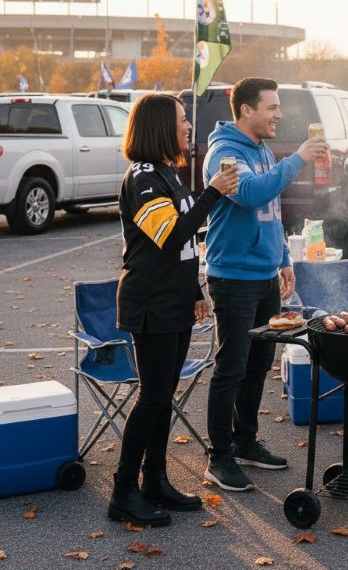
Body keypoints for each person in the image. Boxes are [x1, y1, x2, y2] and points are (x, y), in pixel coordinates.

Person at [110, 93, 238, 527]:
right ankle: (123, 492)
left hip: (174, 299)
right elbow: (169, 234)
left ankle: (155, 480)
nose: (189, 128)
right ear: (161, 126)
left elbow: (183, 248)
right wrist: (214, 194)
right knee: (153, 397)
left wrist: (195, 291)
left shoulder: (168, 172)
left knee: (163, 398)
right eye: (183, 121)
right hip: (150, 301)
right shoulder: (143, 176)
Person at [202, 77, 327, 492]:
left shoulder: (261, 149)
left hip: (263, 275)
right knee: (231, 367)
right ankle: (218, 459)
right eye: (271, 107)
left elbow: (270, 211)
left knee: (257, 366)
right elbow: (252, 194)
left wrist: (284, 258)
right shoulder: (224, 152)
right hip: (233, 277)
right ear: (246, 110)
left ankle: (245, 442)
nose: (279, 115)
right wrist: (297, 160)